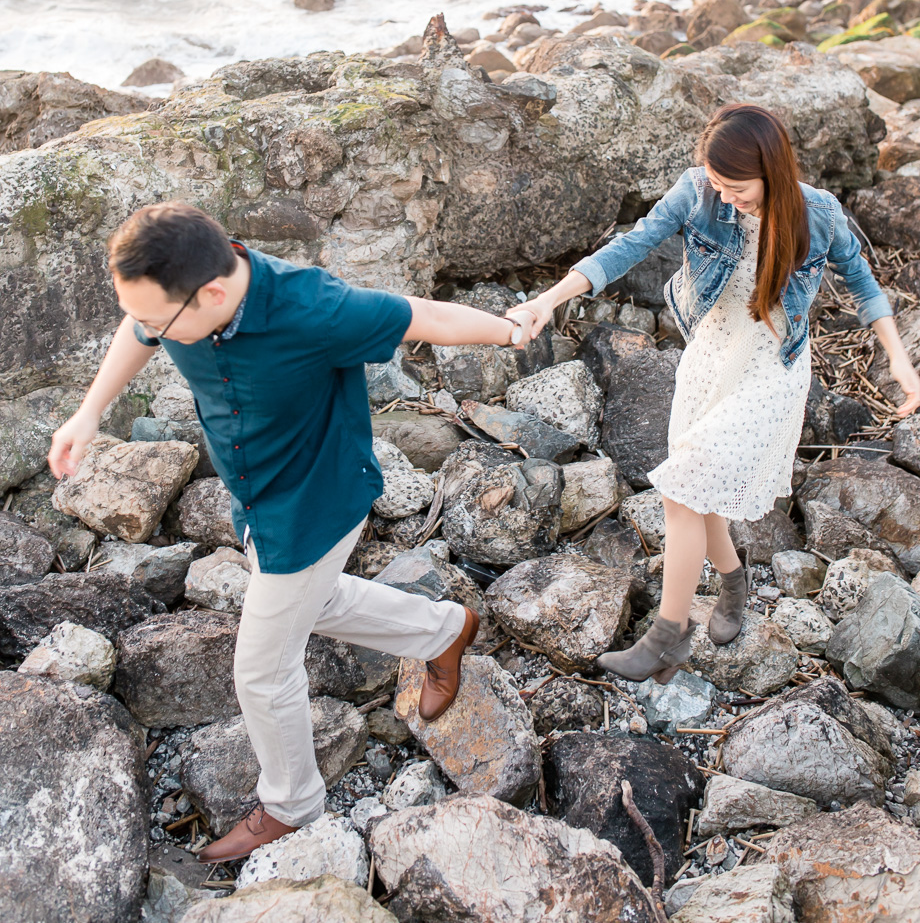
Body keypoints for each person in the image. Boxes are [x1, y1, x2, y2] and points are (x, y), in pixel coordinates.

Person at [48, 201, 529, 863]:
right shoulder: (182, 302)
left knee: (262, 673)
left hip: (316, 503)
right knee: (318, 601)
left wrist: (510, 330)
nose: (151, 332)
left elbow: (428, 315)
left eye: (161, 323)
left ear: (212, 293)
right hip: (255, 494)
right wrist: (87, 414)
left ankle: (293, 804)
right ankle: (445, 630)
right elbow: (137, 330)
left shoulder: (317, 309)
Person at [506, 104, 920, 686]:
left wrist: (898, 359)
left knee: (681, 488)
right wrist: (550, 299)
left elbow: (864, 286)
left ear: (772, 172)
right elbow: (633, 244)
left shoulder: (818, 214)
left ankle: (667, 636)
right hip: (710, 355)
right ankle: (733, 582)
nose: (726, 199)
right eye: (718, 185)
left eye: (738, 188)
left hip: (772, 368)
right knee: (697, 495)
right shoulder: (698, 190)